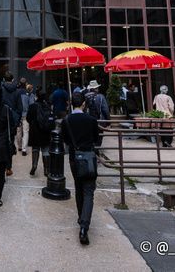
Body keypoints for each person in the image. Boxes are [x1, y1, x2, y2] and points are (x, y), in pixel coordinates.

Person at [61, 91, 102, 245]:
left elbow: (65, 139)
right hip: (89, 157)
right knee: (89, 191)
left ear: (71, 104)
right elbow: (97, 138)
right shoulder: (91, 120)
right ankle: (84, 225)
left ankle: (81, 218)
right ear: (84, 104)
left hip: (74, 158)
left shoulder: (66, 121)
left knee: (79, 188)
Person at [26, 87, 54, 176]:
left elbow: (28, 118)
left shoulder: (32, 106)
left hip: (35, 131)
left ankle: (34, 165)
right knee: (45, 150)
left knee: (35, 149)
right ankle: (46, 169)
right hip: (45, 131)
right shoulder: (48, 106)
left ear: (36, 96)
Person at [1, 71, 22, 176]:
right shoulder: (17, 92)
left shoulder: (1, 90)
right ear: (13, 80)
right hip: (12, 121)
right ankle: (8, 167)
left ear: (4, 80)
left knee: (1, 142)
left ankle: (1, 165)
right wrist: (17, 121)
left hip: (1, 120)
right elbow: (20, 108)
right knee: (10, 143)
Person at [16, 83, 35, 156]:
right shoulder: (30, 96)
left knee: (19, 131)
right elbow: (32, 105)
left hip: (19, 114)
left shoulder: (19, 94)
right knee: (26, 132)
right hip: (26, 115)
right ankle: (24, 149)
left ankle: (19, 146)